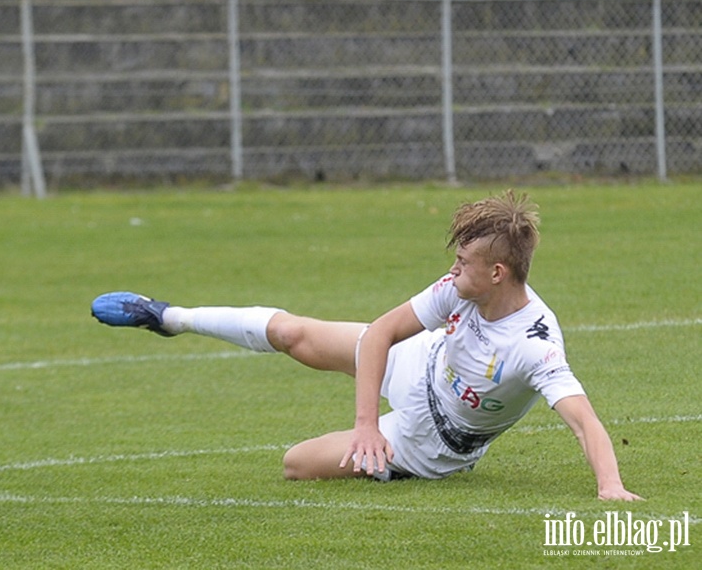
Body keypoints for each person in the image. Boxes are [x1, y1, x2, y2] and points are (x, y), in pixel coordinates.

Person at [91, 190, 642, 501]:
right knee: (292, 334)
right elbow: (381, 332)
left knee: (296, 465)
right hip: (417, 362)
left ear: (497, 273)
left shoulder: (535, 345)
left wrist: (610, 488)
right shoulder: (459, 289)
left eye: (463, 263)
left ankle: (410, 464)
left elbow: (585, 422)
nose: (451, 271)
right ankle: (169, 317)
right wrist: (363, 424)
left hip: (433, 443)